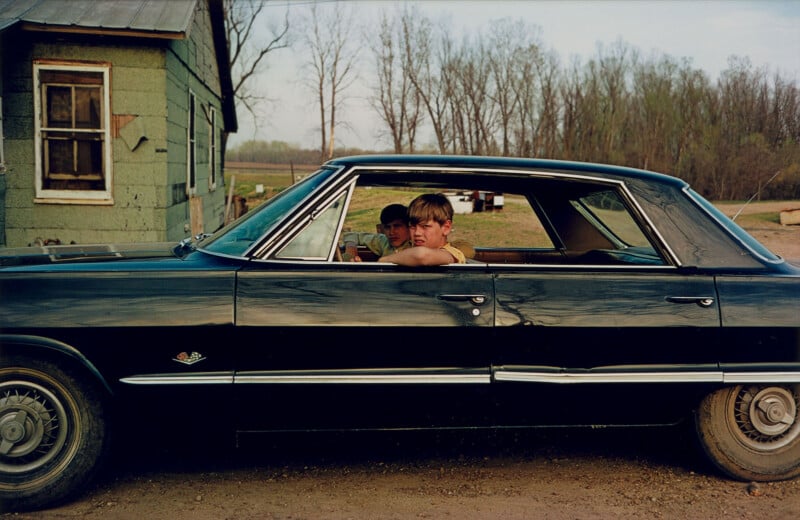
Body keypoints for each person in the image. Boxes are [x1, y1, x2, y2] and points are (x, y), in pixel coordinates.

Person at [378, 193, 466, 265]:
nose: (417, 233)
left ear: (446, 228)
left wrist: (384, 260)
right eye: (412, 226)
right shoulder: (408, 247)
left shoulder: (451, 254)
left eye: (425, 226)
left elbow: (421, 255)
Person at [341, 203, 411, 261]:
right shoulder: (384, 241)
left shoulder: (416, 245)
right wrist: (351, 248)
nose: (391, 232)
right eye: (387, 227)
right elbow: (352, 235)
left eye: (397, 226)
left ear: (409, 227)